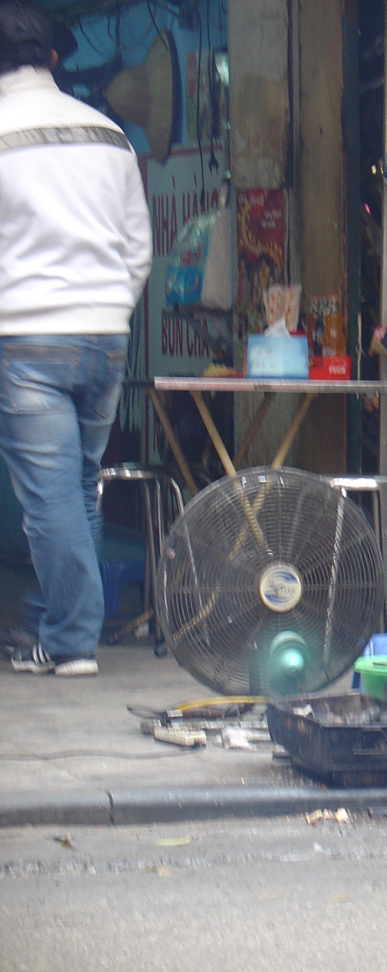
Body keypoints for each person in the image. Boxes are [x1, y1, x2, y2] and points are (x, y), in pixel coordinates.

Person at [0, 2, 151, 676]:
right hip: (104, 335)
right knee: (80, 485)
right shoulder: (109, 133)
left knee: (51, 498)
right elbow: (138, 248)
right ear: (54, 59)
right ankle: (62, 626)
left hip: (26, 337)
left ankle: (68, 643)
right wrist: (110, 308)